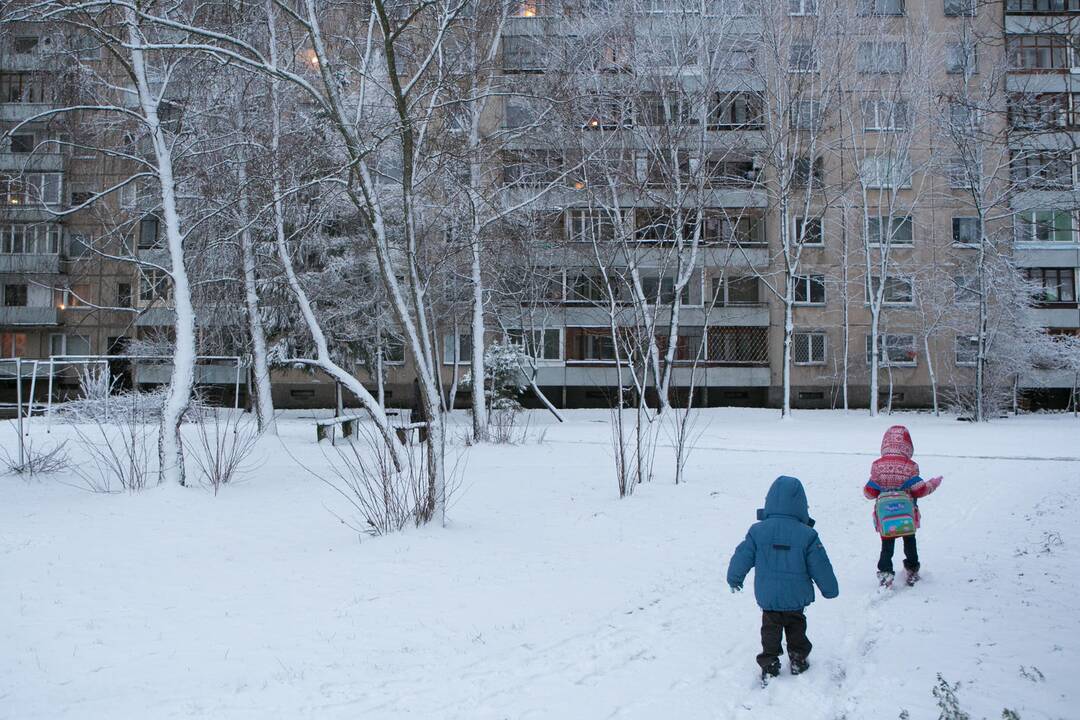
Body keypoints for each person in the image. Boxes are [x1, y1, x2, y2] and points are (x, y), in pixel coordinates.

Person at [727, 476, 839, 684]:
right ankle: (798, 657)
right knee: (796, 627)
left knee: (770, 629)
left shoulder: (757, 531)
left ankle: (769, 662)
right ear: (801, 506)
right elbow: (820, 565)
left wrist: (735, 578)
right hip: (796, 596)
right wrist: (829, 589)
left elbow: (742, 556)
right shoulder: (807, 534)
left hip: (768, 595)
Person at [863, 425, 943, 587]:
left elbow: (869, 492)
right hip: (906, 516)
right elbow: (920, 490)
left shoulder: (877, 465)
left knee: (886, 547)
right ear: (908, 446)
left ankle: (885, 574)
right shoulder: (910, 466)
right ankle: (912, 570)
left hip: (886, 518)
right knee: (910, 542)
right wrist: (933, 484)